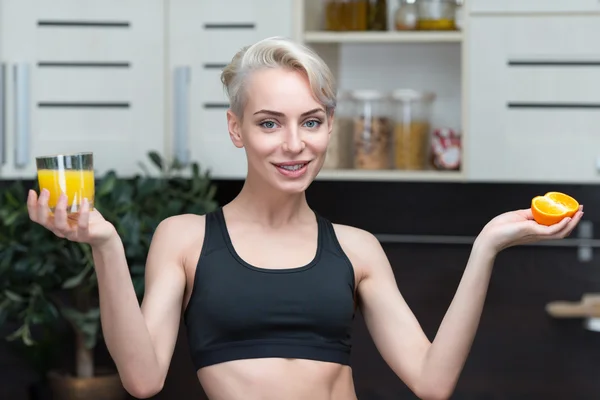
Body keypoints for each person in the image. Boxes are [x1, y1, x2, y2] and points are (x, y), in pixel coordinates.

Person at [27, 36, 583, 400]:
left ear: (329, 128)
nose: (294, 145)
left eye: (311, 121)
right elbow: (143, 380)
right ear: (235, 128)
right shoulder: (187, 238)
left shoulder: (358, 248)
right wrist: (104, 246)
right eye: (270, 123)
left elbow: (433, 381)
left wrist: (487, 244)